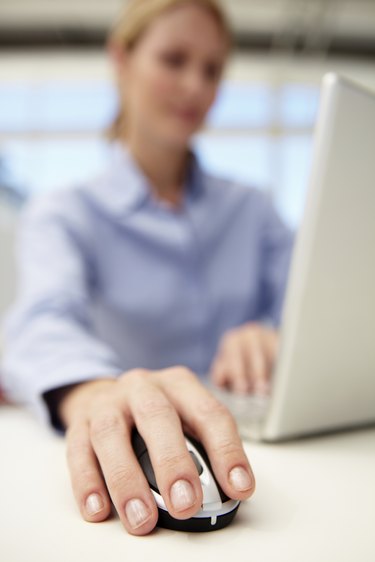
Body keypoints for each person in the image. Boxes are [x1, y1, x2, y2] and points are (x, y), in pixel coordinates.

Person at [1, 0, 293, 536]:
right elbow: (41, 321)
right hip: (135, 444)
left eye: (212, 69)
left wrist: (279, 336)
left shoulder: (254, 210)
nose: (196, 86)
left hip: (274, 448)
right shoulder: (64, 213)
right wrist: (93, 393)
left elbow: (318, 306)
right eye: (174, 59)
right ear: (122, 60)